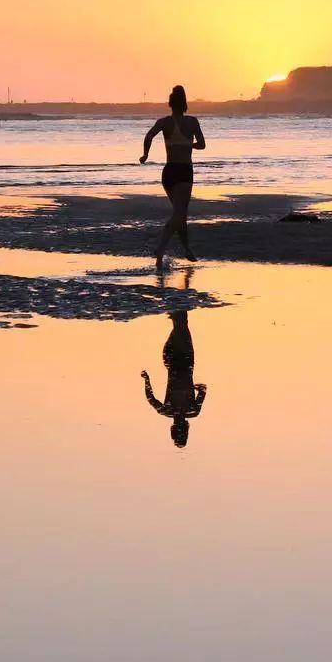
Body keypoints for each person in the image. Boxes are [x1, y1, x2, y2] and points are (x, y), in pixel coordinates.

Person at [139, 85, 206, 270]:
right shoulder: (192, 122)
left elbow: (149, 136)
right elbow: (202, 145)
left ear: (170, 103)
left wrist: (145, 155)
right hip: (183, 171)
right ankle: (160, 249)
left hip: (168, 172)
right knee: (179, 214)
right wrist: (188, 145)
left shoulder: (164, 122)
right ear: (185, 104)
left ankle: (186, 250)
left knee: (180, 214)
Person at [141, 310, 208, 448]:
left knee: (181, 326)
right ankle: (176, 299)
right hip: (171, 362)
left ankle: (177, 299)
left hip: (187, 362)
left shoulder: (193, 411)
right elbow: (150, 398)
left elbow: (203, 390)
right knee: (180, 326)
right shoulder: (167, 410)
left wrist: (191, 385)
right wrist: (146, 380)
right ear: (172, 430)